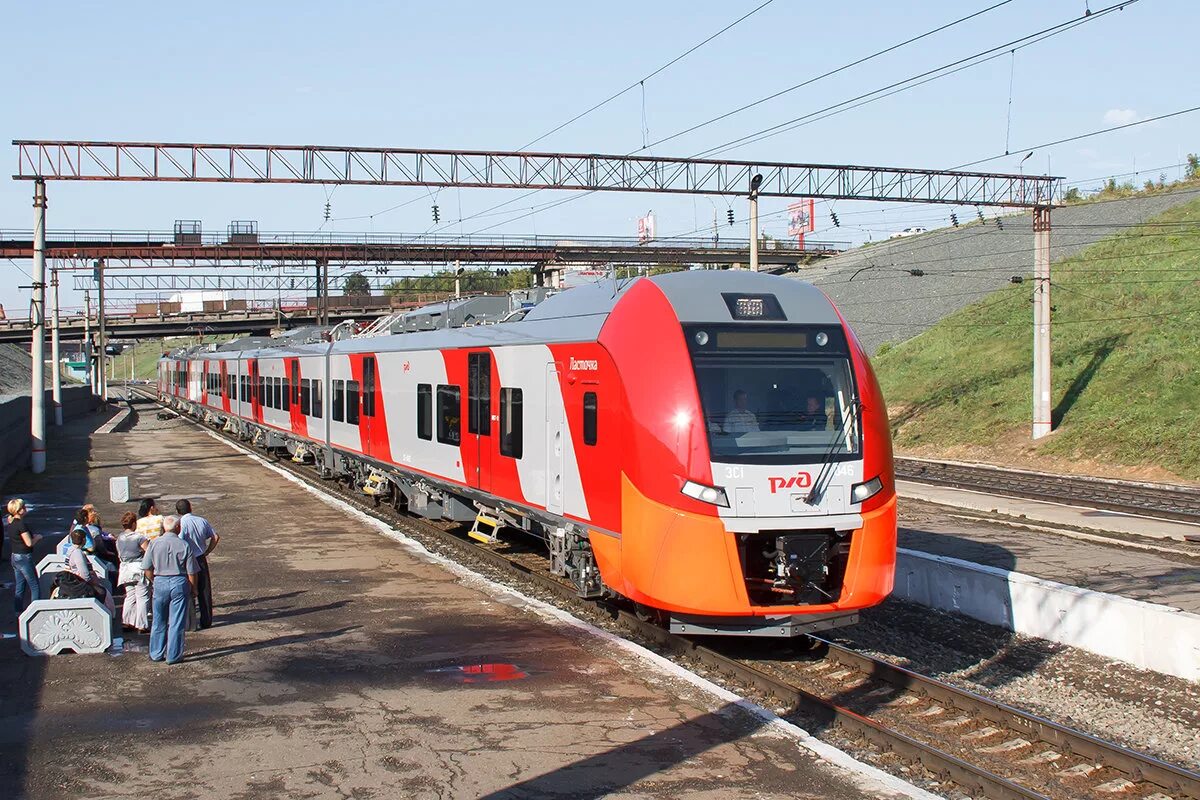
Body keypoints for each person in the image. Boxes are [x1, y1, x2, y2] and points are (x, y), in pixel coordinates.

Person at [142, 514, 199, 664]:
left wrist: (154, 580)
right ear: (178, 528)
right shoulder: (184, 545)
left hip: (160, 580)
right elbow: (191, 572)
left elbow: (147, 568)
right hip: (178, 581)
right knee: (176, 621)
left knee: (158, 620)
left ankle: (156, 652)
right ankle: (173, 655)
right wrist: (193, 589)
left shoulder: (154, 544)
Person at [176, 499, 219, 630]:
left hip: (186, 559)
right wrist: (207, 551)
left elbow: (179, 541)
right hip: (200, 557)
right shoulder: (201, 520)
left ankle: (191, 622)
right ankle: (206, 620)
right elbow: (215, 537)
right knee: (204, 590)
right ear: (191, 508)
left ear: (178, 511)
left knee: (189, 590)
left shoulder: (180, 524)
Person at [64, 528, 116, 615]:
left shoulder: (70, 550)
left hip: (73, 580)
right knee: (104, 593)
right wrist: (93, 582)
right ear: (84, 540)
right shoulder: (78, 553)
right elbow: (85, 575)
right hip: (79, 582)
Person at [116, 511, 150, 634]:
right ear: (134, 523)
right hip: (138, 567)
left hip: (125, 569)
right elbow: (148, 552)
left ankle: (127, 621)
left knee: (130, 596)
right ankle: (142, 624)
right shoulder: (139, 537)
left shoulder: (119, 537)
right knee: (142, 597)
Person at [7, 499, 42, 614]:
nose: (25, 509)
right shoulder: (21, 524)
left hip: (15, 557)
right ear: (19, 510)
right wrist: (37, 538)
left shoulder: (11, 522)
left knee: (20, 586)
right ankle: (34, 612)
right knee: (35, 586)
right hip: (24, 557)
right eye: (23, 507)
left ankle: (18, 612)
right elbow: (29, 543)